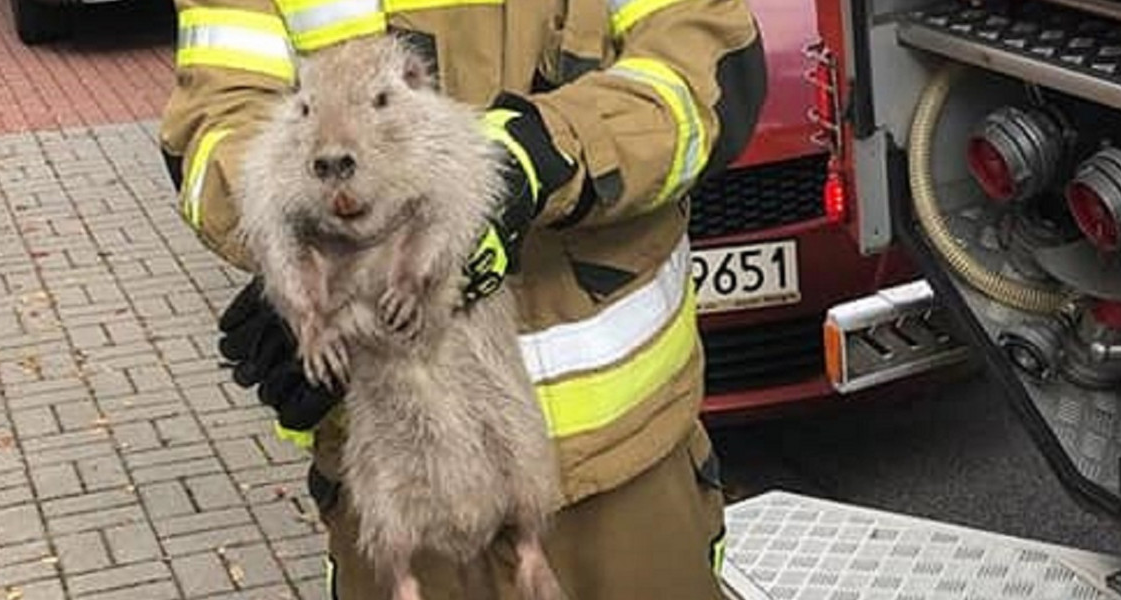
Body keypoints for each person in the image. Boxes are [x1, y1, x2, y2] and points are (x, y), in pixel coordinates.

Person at [158, 0, 767, 596]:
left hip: (626, 480)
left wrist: (540, 153)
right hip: (403, 479)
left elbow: (704, 62)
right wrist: (309, 250)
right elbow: (213, 131)